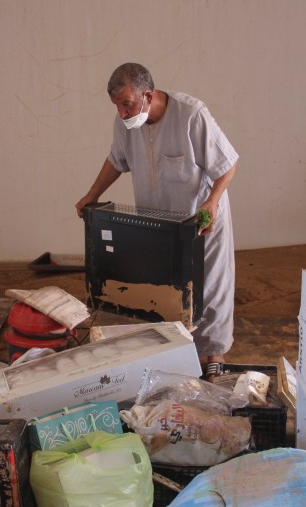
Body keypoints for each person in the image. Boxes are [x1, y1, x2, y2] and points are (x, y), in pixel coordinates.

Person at [75, 62, 239, 371]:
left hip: (201, 220)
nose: (123, 113)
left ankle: (214, 356)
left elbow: (227, 165)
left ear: (148, 95)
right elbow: (116, 161)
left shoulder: (191, 115)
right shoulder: (126, 124)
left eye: (127, 104)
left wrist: (212, 202)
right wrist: (91, 195)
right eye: (117, 106)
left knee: (211, 286)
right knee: (165, 289)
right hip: (159, 225)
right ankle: (178, 355)